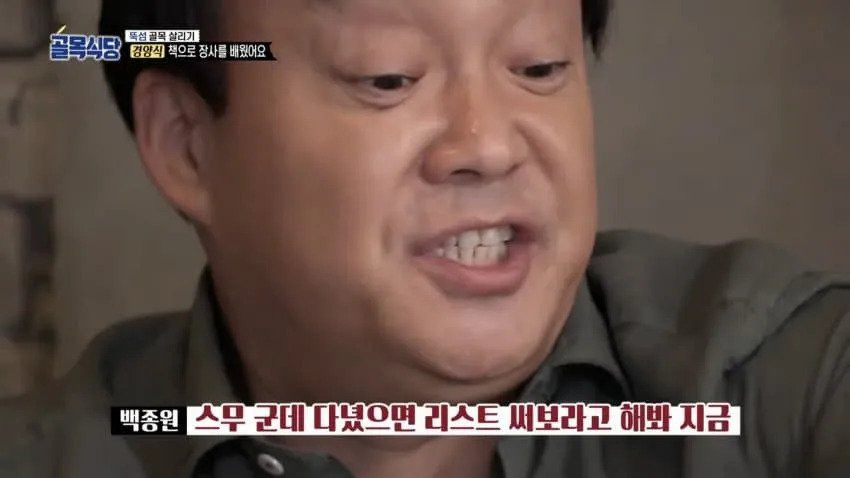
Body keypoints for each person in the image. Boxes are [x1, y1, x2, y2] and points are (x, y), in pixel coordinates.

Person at [2, 0, 849, 476]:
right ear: (188, 145)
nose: (487, 144)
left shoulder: (776, 381)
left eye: (539, 67)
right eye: (388, 77)